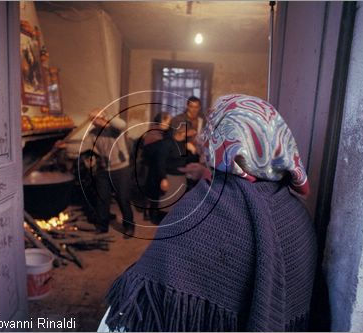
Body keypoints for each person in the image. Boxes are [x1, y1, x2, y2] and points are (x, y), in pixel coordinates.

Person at [98, 94, 316, 331]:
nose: (203, 138)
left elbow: (140, 312)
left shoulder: (194, 215)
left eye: (212, 131)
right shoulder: (297, 215)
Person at [85, 108, 135, 237]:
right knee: (102, 199)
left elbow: (122, 124)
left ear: (103, 117)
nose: (94, 122)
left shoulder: (115, 129)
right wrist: (89, 158)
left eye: (96, 118)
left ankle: (129, 226)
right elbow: (87, 147)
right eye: (92, 120)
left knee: (123, 199)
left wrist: (106, 115)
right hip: (103, 170)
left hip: (121, 169)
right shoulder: (92, 133)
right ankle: (102, 227)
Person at [139, 112, 172, 224]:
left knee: (153, 189)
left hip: (154, 164)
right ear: (160, 121)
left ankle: (151, 212)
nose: (168, 124)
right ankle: (147, 212)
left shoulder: (163, 132)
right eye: (166, 122)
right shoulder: (153, 133)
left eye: (169, 122)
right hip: (148, 165)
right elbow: (148, 150)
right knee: (150, 189)